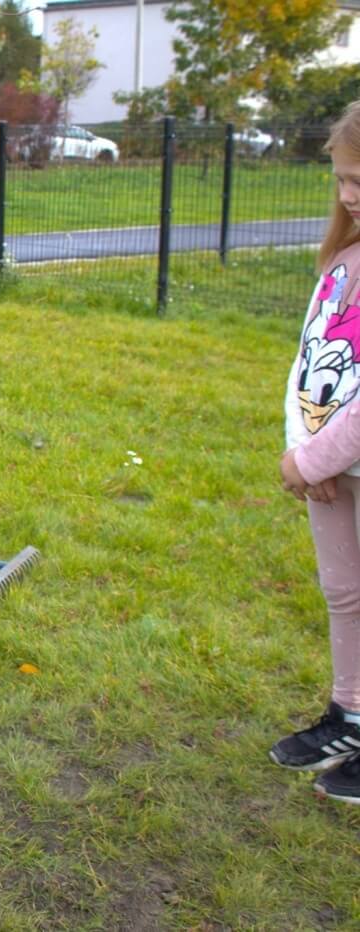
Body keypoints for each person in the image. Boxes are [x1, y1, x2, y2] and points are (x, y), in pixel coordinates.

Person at [273, 100, 360, 803]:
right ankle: (351, 712)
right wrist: (305, 450)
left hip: (340, 457)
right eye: (341, 179)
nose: (349, 194)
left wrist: (314, 458)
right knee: (344, 593)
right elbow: (311, 364)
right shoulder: (342, 264)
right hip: (332, 466)